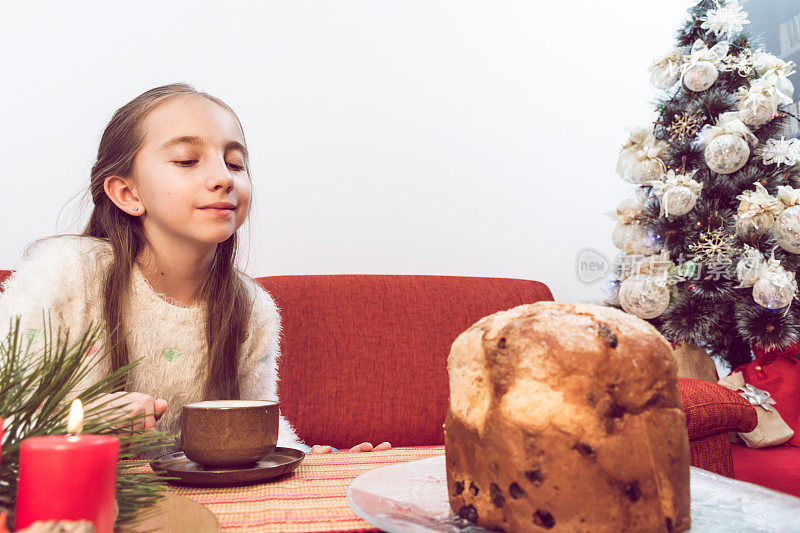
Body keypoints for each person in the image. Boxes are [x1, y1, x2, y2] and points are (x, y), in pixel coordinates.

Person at [0, 83, 390, 455]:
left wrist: (311, 455)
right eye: (187, 160)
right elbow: (7, 413)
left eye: (235, 163)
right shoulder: (63, 273)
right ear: (127, 193)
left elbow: (257, 425)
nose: (223, 178)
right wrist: (84, 425)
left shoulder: (253, 308)